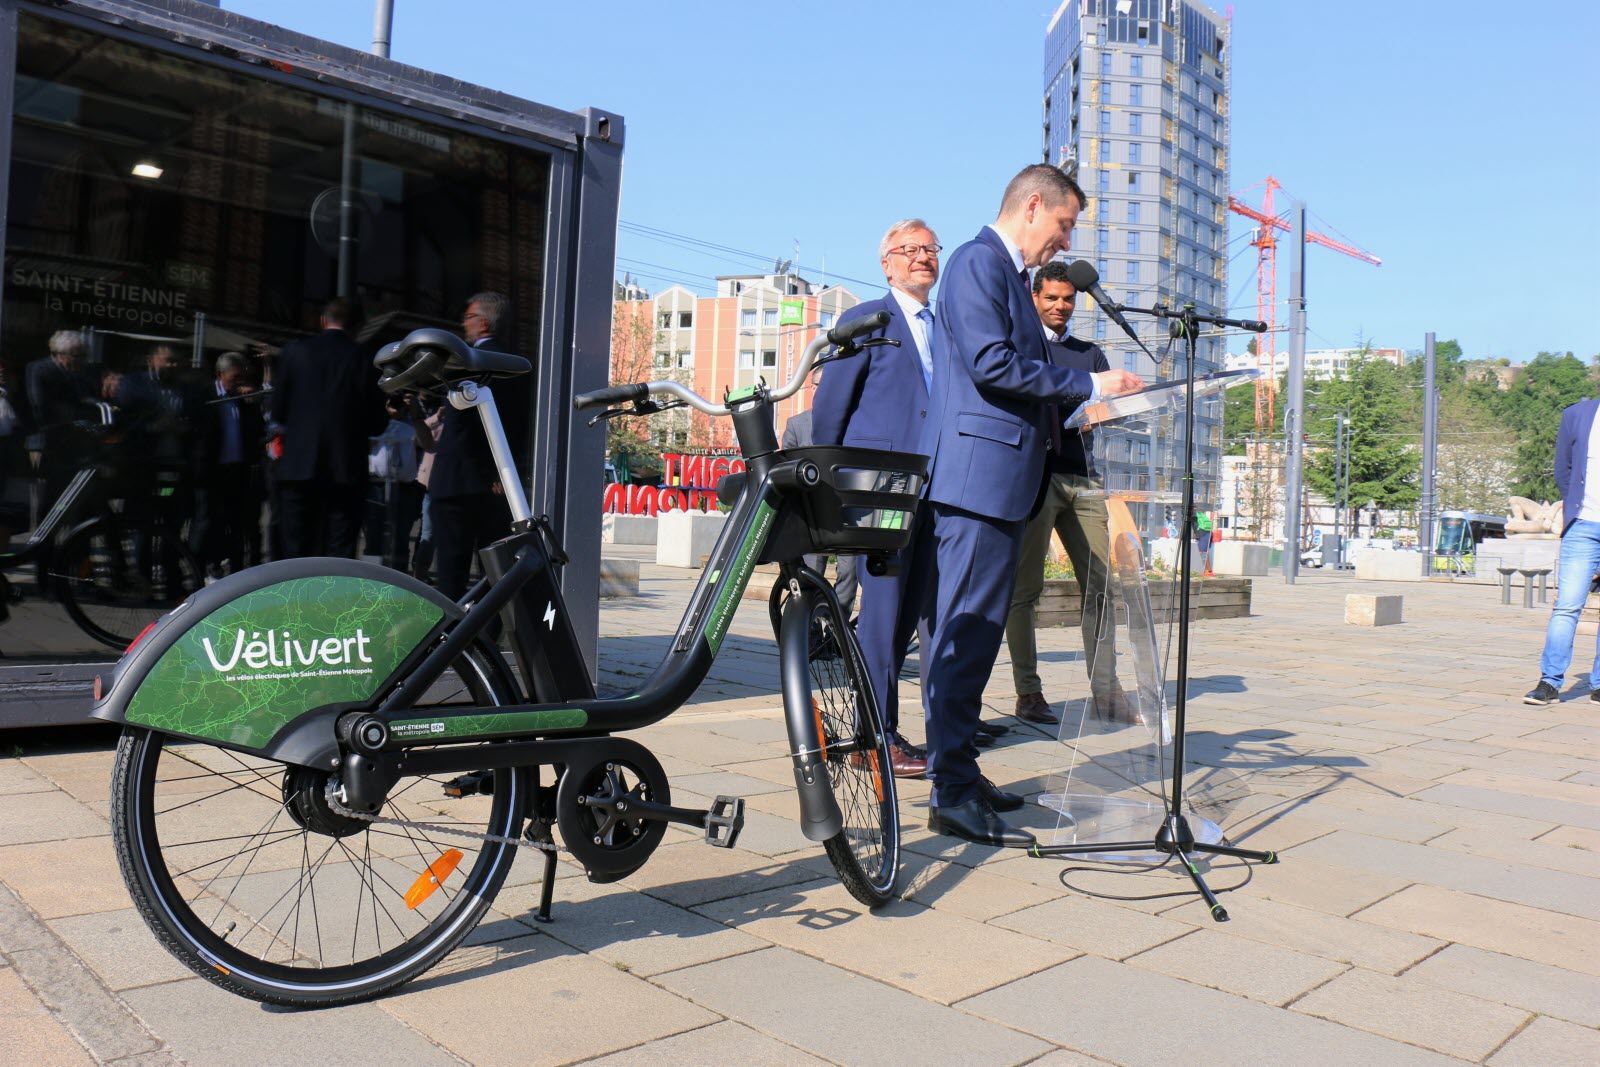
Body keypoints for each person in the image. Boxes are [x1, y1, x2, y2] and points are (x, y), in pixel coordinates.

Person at [917, 164, 1143, 846]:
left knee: (978, 634)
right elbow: (992, 365)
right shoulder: (977, 264)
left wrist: (1076, 413)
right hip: (974, 485)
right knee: (961, 635)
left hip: (999, 483)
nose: (1063, 241)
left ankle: (957, 767)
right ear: (1034, 206)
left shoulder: (1004, 275)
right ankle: (949, 788)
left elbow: (1011, 384)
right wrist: (1088, 380)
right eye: (1064, 225)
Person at [812, 218, 957, 778]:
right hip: (879, 488)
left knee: (912, 615)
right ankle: (877, 735)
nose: (922, 257)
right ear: (887, 262)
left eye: (929, 249)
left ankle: (895, 727)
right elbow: (832, 409)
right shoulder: (866, 319)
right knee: (883, 612)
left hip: (934, 486)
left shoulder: (944, 326)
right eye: (909, 249)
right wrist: (827, 479)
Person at [1003, 261, 1135, 728]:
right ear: (1034, 298)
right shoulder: (1022, 349)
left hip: (1084, 481)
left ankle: (1106, 692)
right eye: (1051, 298)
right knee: (1025, 591)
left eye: (1068, 299)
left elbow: (1105, 409)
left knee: (1100, 588)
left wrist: (1106, 409)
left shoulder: (1090, 354)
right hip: (1035, 479)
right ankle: (1028, 692)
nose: (1061, 306)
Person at [427, 291, 531, 600]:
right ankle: (491, 632)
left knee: (451, 573)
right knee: (493, 573)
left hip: (458, 483)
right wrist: (500, 473)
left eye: (469, 317)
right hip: (498, 485)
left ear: (483, 323)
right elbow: (518, 427)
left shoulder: (468, 362)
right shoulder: (517, 367)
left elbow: (465, 427)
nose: (464, 323)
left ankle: (453, 639)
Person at [270, 297, 386, 558]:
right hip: (345, 467)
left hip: (299, 465)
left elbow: (278, 412)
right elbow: (378, 423)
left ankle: (293, 597)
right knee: (339, 549)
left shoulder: (294, 352)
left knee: (295, 548)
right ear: (358, 327)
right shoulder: (364, 360)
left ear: (323, 320)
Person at [1526, 393, 1600, 705]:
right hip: (1583, 525)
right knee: (1567, 605)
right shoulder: (1577, 415)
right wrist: (1573, 510)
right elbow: (1563, 469)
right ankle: (1549, 681)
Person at [779, 406, 858, 619]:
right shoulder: (796, 424)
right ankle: (811, 633)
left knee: (849, 572)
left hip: (845, 515)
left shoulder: (853, 420)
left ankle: (837, 629)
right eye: (816, 384)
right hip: (811, 516)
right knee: (811, 575)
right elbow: (786, 466)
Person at [193, 352, 265, 579]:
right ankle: (205, 567)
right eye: (234, 378)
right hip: (212, 471)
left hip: (237, 470)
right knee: (209, 523)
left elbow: (256, 428)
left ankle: (236, 571)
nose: (238, 382)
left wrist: (252, 402)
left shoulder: (241, 399)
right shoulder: (206, 396)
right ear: (220, 375)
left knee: (236, 524)